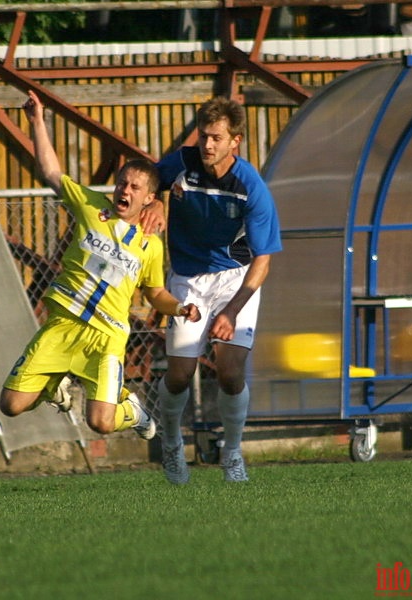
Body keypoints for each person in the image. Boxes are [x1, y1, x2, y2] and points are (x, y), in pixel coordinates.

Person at [0, 90, 200, 439]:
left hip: (106, 337)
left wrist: (180, 308)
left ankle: (132, 412)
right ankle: (52, 387)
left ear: (150, 198)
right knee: (10, 405)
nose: (126, 190)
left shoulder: (150, 245)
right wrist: (36, 122)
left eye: (136, 187)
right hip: (62, 323)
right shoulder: (92, 207)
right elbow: (50, 171)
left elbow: (154, 293)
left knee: (100, 423)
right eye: (122, 182)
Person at [148, 96, 282, 484]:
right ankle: (172, 446)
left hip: (235, 280)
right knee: (179, 375)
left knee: (228, 371)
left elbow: (263, 260)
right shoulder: (182, 163)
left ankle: (233, 453)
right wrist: (155, 201)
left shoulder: (251, 186)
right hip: (188, 278)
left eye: (217, 138)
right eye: (204, 136)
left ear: (235, 141)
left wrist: (231, 311)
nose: (208, 145)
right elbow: (146, 180)